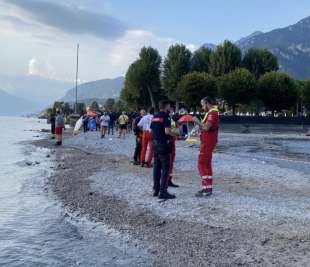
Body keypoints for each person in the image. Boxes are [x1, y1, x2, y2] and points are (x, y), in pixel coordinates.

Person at [150, 100, 179, 200]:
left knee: (156, 168)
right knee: (165, 169)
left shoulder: (155, 117)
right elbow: (167, 131)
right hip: (163, 145)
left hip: (154, 144)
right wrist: (175, 133)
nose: (170, 108)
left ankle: (156, 190)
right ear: (166, 106)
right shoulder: (166, 116)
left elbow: (152, 130)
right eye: (169, 106)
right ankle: (163, 191)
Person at [193, 97, 219, 197]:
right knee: (206, 164)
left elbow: (206, 127)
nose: (202, 106)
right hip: (207, 141)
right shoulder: (213, 112)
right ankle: (207, 188)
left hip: (208, 142)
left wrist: (197, 121)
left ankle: (206, 189)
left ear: (207, 103)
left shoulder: (212, 113)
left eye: (203, 104)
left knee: (202, 164)